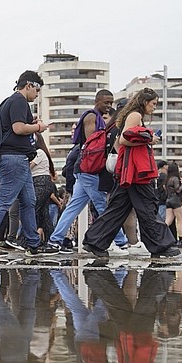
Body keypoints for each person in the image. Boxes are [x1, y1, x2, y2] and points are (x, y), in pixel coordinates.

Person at [82, 88, 178, 258]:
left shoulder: (131, 115)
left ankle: (94, 242)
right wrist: (149, 138)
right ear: (144, 102)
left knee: (118, 209)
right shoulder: (136, 115)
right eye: (153, 103)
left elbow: (123, 140)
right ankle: (160, 246)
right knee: (148, 208)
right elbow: (124, 139)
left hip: (129, 171)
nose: (154, 107)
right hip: (136, 172)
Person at [0, 71, 59, 258]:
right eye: (37, 89)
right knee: (5, 200)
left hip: (17, 158)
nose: (37, 94)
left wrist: (32, 123)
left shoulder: (11, 102)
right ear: (28, 85)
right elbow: (18, 128)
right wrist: (38, 127)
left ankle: (33, 244)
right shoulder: (19, 101)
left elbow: (18, 126)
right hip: (14, 158)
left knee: (29, 202)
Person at [49, 90, 128, 254]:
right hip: (88, 170)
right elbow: (95, 146)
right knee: (103, 206)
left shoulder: (95, 118)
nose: (109, 106)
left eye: (111, 102)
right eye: (106, 102)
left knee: (73, 207)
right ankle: (121, 241)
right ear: (97, 101)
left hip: (84, 169)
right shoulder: (92, 117)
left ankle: (55, 240)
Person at [162, 161, 182, 241]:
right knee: (180, 221)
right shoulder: (175, 179)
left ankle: (161, 236)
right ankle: (181, 239)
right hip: (176, 201)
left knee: (168, 221)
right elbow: (178, 190)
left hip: (168, 200)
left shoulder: (167, 179)